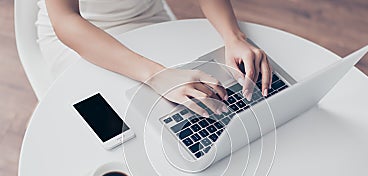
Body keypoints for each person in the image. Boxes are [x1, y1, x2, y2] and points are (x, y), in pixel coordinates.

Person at [37, 0, 272, 116]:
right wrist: (157, 75)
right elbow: (65, 20)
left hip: (147, 16)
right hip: (81, 29)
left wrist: (234, 37)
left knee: (188, 101)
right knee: (124, 118)